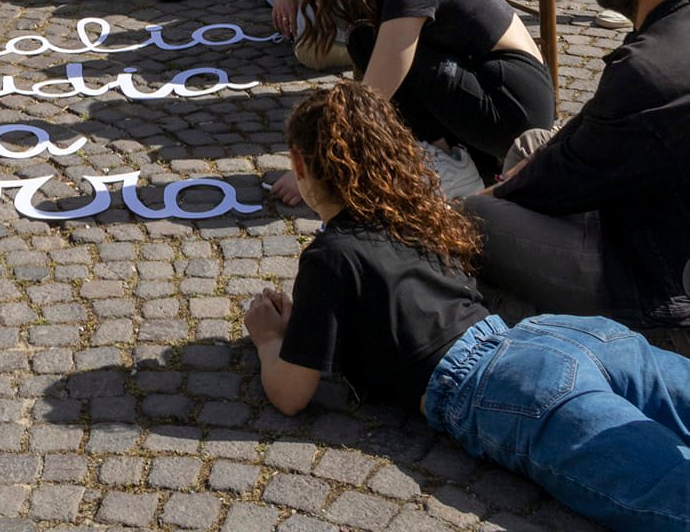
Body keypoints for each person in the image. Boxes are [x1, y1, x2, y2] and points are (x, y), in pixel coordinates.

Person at [247, 82, 690, 532]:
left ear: (300, 164)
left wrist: (267, 338)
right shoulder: (419, 217)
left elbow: (290, 392)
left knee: (674, 493)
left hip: (501, 385)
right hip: (561, 335)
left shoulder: (331, 256)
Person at [468, 0, 690, 348]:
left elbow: (555, 180)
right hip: (652, 214)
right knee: (532, 144)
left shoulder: (647, 71)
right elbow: (586, 139)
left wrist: (454, 209)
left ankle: (550, 323)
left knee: (473, 216)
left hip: (650, 276)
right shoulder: (671, 34)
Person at [284, 0, 555, 192]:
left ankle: (452, 164)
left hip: (514, 108)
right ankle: (455, 157)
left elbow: (373, 94)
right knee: (363, 39)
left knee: (373, 43)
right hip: (493, 89)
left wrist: (314, 168)